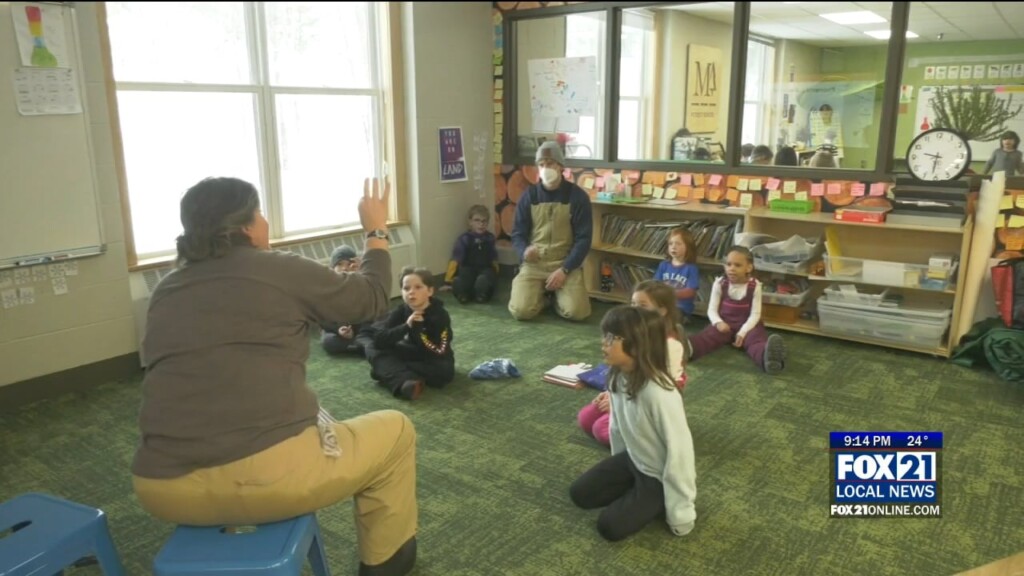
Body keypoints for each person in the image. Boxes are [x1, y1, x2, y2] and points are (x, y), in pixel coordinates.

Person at [132, 176, 419, 576]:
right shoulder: (278, 268)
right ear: (247, 226)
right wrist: (375, 230)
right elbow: (368, 299)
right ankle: (386, 567)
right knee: (397, 432)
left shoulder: (165, 289)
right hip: (267, 479)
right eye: (261, 213)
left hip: (162, 487)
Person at [570, 305, 697, 542]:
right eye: (604, 336)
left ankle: (659, 501)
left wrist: (681, 513)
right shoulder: (617, 376)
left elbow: (681, 455)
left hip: (658, 475)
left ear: (637, 346)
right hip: (633, 460)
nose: (603, 344)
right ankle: (636, 493)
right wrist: (619, 467)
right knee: (580, 495)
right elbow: (617, 427)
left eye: (611, 338)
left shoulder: (660, 394)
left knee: (609, 527)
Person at [577, 281, 687, 447]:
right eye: (633, 304)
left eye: (643, 305)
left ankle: (648, 437)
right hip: (626, 392)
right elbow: (619, 371)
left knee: (601, 430)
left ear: (662, 311)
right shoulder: (628, 335)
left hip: (642, 401)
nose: (635, 310)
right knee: (585, 418)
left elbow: (655, 388)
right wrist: (610, 393)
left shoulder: (670, 345)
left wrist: (616, 406)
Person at [509, 141, 593, 321]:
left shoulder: (578, 197)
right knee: (520, 311)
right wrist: (524, 250)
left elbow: (584, 239)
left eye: (550, 163)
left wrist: (566, 269)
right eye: (541, 164)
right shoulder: (529, 196)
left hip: (565, 263)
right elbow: (517, 233)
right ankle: (543, 298)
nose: (545, 168)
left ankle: (556, 298)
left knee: (577, 312)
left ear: (561, 166)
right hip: (535, 263)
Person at [686, 246, 786, 374]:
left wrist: (743, 333)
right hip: (725, 324)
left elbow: (755, 314)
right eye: (728, 264)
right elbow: (711, 310)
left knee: (755, 340)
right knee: (708, 336)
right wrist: (718, 323)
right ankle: (688, 348)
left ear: (748, 268)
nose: (731, 268)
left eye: (737, 265)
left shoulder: (755, 286)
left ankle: (767, 358)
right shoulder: (720, 283)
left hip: (748, 325)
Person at [365, 266, 455, 401]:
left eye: (418, 287)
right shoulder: (402, 310)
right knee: (372, 346)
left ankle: (395, 375)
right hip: (413, 354)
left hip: (436, 361)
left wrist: (418, 329)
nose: (411, 292)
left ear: (430, 291)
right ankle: (404, 380)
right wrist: (406, 326)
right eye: (406, 289)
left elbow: (439, 350)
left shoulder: (439, 315)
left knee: (378, 371)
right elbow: (379, 339)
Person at [321, 246, 378, 356]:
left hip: (361, 326)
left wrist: (359, 277)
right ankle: (362, 345)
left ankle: (360, 344)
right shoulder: (327, 288)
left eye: (348, 264)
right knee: (329, 341)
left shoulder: (361, 281)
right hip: (338, 329)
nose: (344, 268)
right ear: (332, 268)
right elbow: (323, 319)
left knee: (380, 327)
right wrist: (339, 329)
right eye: (339, 264)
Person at [444, 204, 499, 303]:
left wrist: (495, 273)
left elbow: (493, 258)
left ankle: (482, 295)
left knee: (484, 279)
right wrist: (448, 280)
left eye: (484, 221)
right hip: (468, 268)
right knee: (463, 279)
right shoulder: (465, 239)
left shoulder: (490, 238)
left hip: (485, 268)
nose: (481, 224)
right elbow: (455, 260)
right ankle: (463, 295)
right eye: (477, 220)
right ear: (470, 222)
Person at [653, 227, 700, 321]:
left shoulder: (691, 268)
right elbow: (655, 284)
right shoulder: (663, 265)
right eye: (671, 244)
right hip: (663, 303)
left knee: (669, 318)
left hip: (681, 307)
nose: (673, 247)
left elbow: (691, 292)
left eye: (678, 244)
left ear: (688, 247)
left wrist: (670, 294)